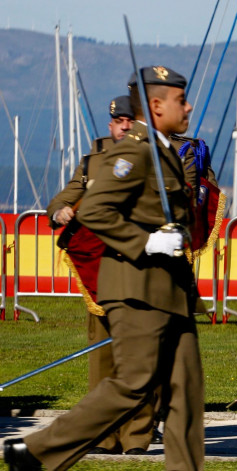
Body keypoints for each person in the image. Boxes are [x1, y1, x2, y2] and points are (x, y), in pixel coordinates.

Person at [3, 66, 205, 471]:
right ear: (156, 104)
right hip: (137, 288)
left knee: (186, 394)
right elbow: (95, 210)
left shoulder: (165, 149)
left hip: (171, 290)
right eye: (180, 100)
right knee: (132, 384)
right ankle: (38, 453)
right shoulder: (134, 149)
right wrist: (146, 241)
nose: (188, 106)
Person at [43, 95, 161, 456]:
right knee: (103, 356)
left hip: (141, 267)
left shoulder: (153, 155)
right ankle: (104, 435)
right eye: (119, 121)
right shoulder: (92, 162)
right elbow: (61, 200)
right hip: (100, 271)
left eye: (130, 120)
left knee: (142, 356)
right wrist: (61, 211)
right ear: (110, 125)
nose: (124, 126)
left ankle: (138, 436)